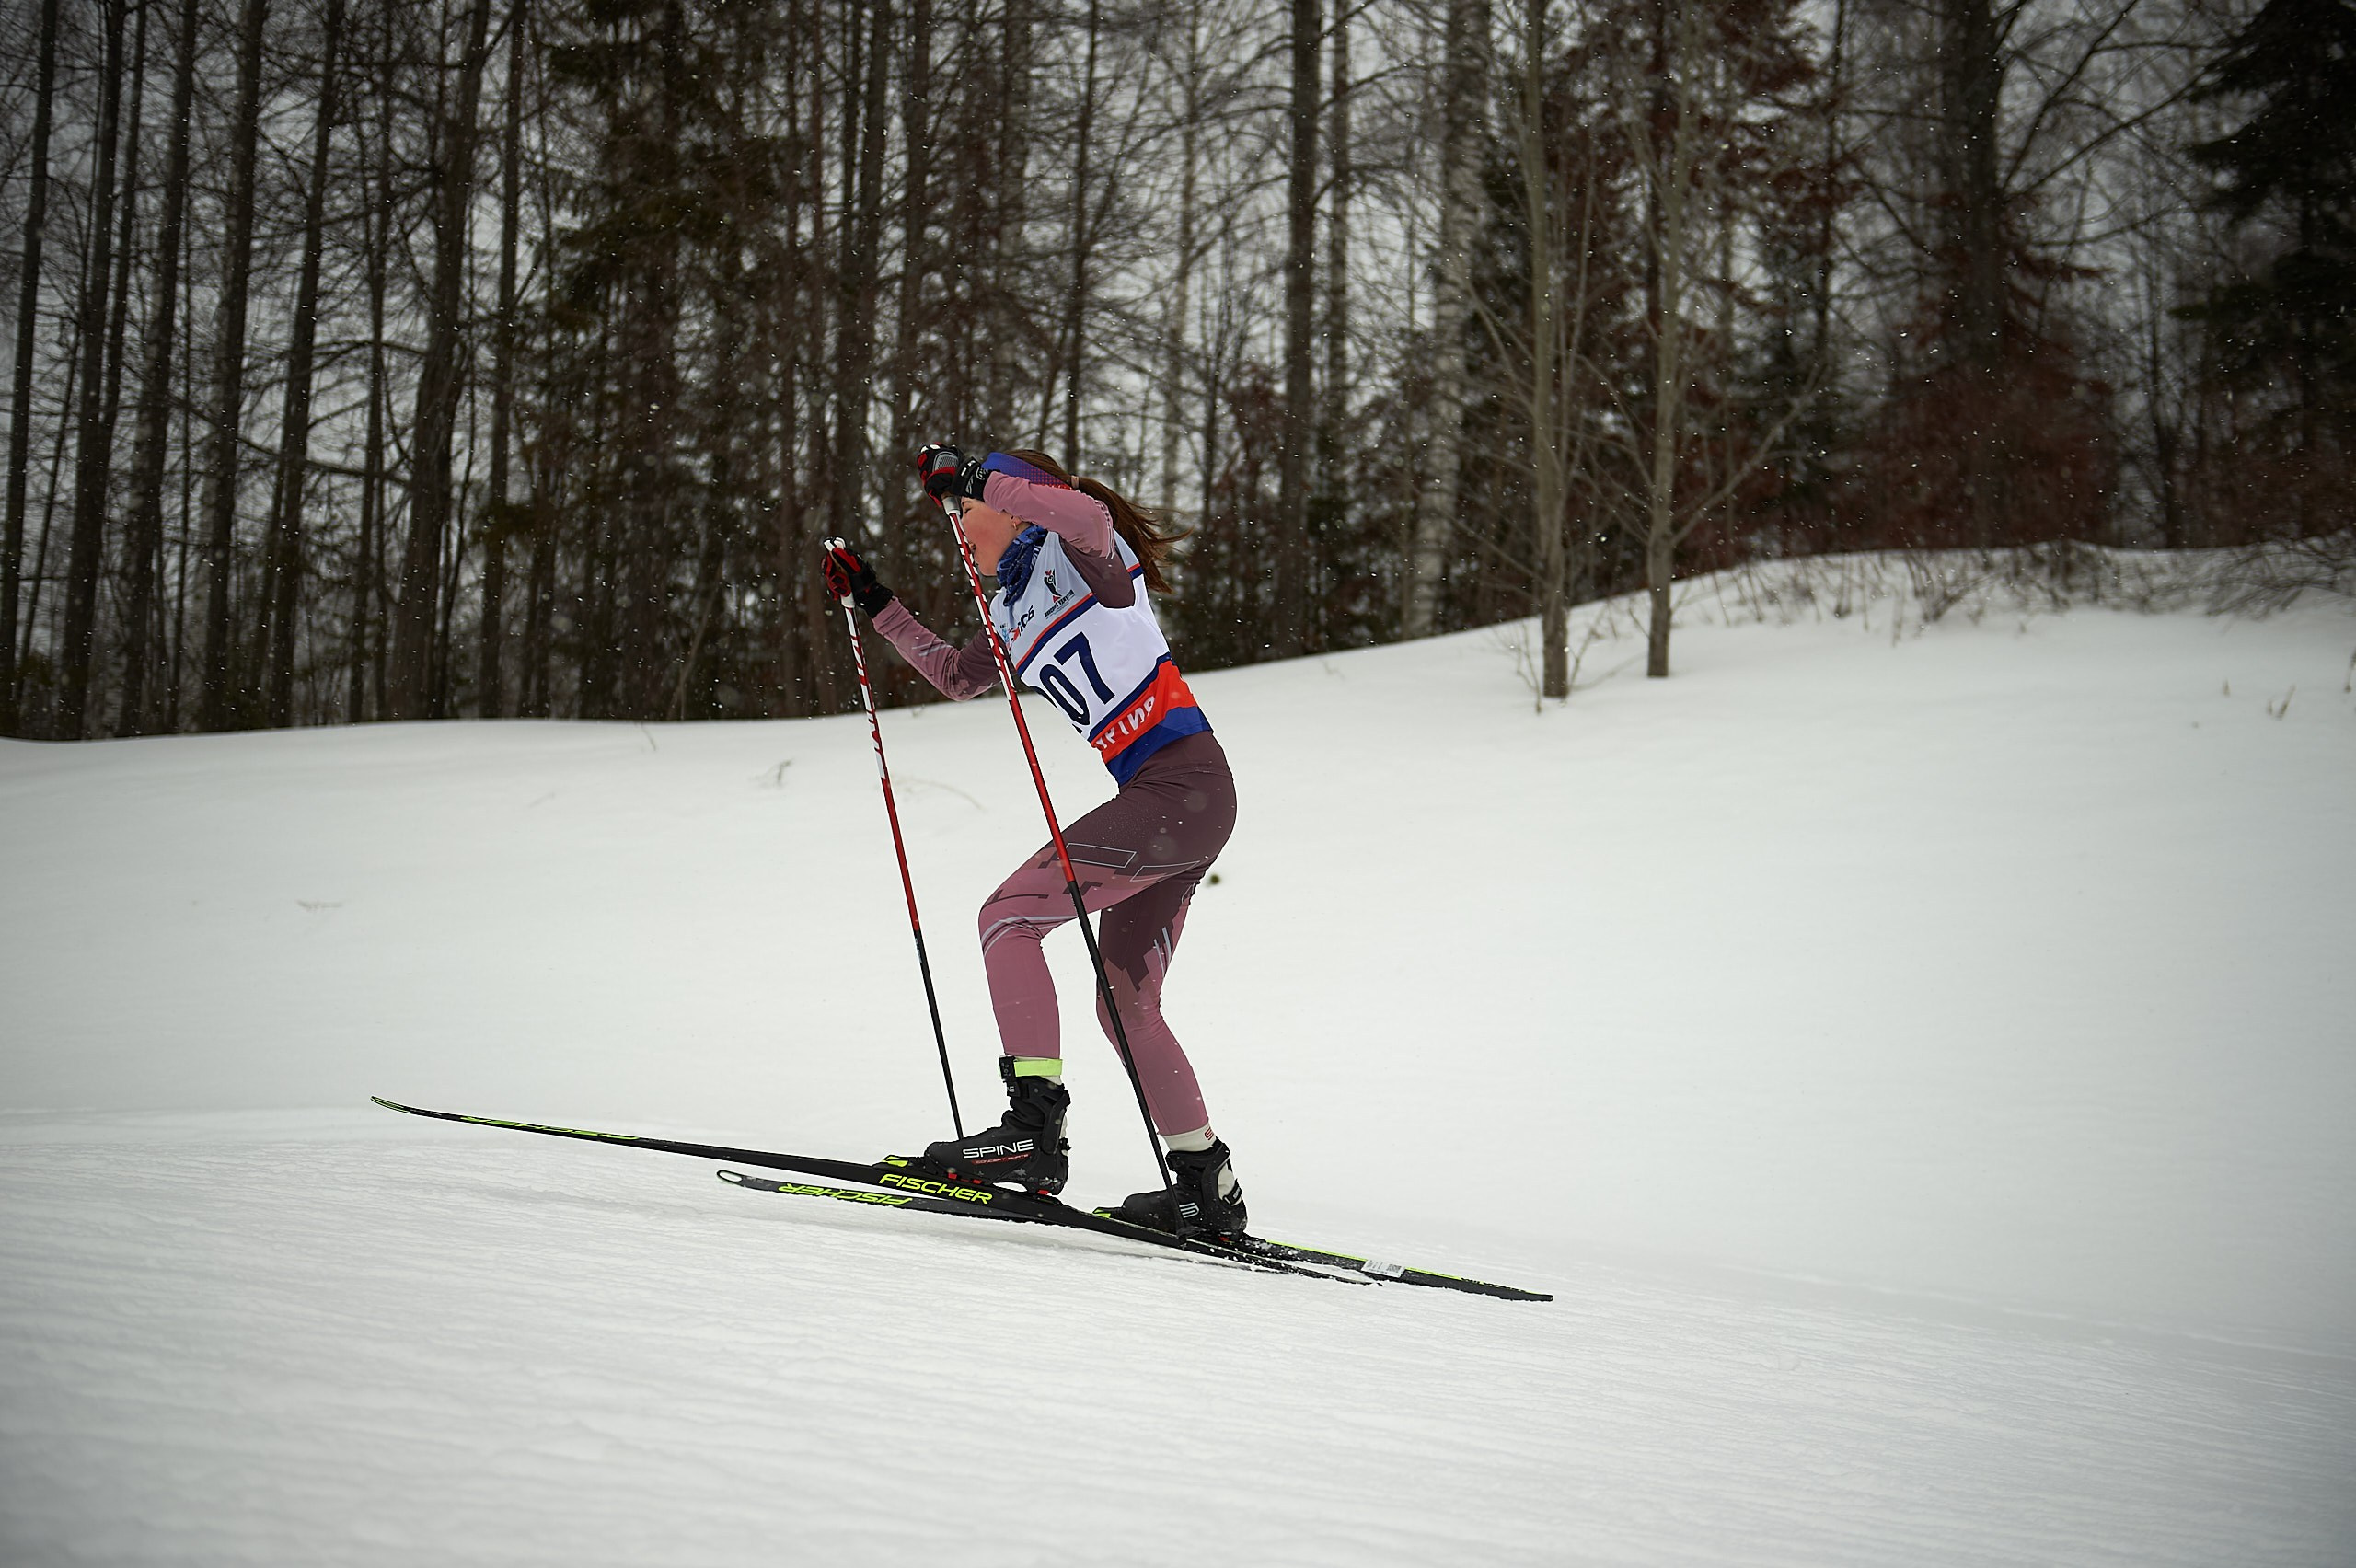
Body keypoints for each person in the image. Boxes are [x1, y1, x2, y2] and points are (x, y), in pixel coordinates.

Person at [820, 446, 1246, 1239]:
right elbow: (956, 675)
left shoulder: (1082, 551)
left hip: (1179, 789)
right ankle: (1206, 1186)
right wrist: (878, 603)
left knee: (1007, 918)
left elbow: (1084, 511)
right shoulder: (1010, 606)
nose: (958, 526)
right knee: (1126, 1004)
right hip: (1170, 801)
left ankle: (1031, 1132)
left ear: (1015, 500)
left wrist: (979, 476)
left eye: (963, 511)